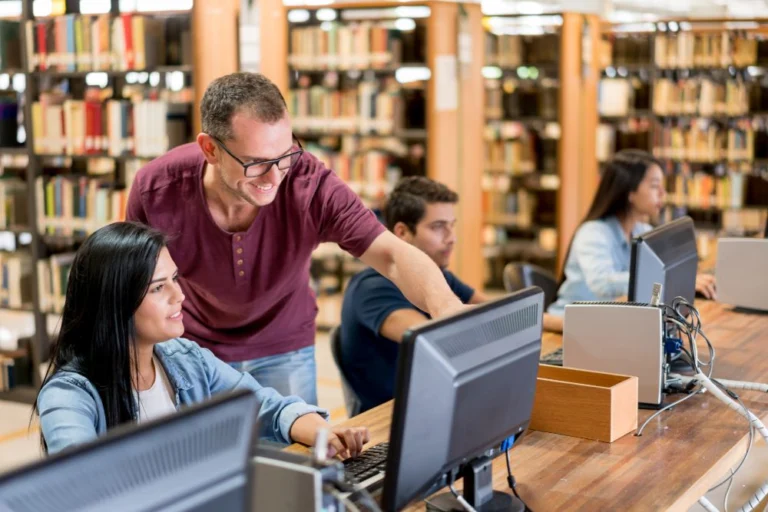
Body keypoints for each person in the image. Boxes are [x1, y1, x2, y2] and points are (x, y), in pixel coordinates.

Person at [126, 72, 465, 405]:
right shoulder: (155, 189)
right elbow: (133, 287)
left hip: (285, 347)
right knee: (208, 460)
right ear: (210, 149)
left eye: (285, 155)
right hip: (195, 348)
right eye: (256, 163)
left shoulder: (310, 183)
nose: (275, 178)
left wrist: (446, 308)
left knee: (296, 458)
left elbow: (392, 255)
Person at [35, 222, 369, 457]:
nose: (179, 296)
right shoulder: (68, 395)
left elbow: (265, 406)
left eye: (176, 279)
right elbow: (77, 483)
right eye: (158, 288)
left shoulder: (185, 358)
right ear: (114, 300)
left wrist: (322, 432)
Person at [339, 177, 561, 413]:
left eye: (451, 225)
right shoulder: (372, 288)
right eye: (438, 227)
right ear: (402, 232)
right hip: (392, 418)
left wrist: (567, 324)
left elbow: (496, 308)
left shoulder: (436, 276)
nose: (451, 237)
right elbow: (435, 341)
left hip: (441, 400)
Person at [548, 149, 717, 316]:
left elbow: (667, 268)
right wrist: (664, 281)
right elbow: (602, 284)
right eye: (655, 186)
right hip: (568, 324)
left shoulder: (643, 231)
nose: (662, 194)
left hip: (609, 320)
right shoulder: (593, 233)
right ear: (629, 191)